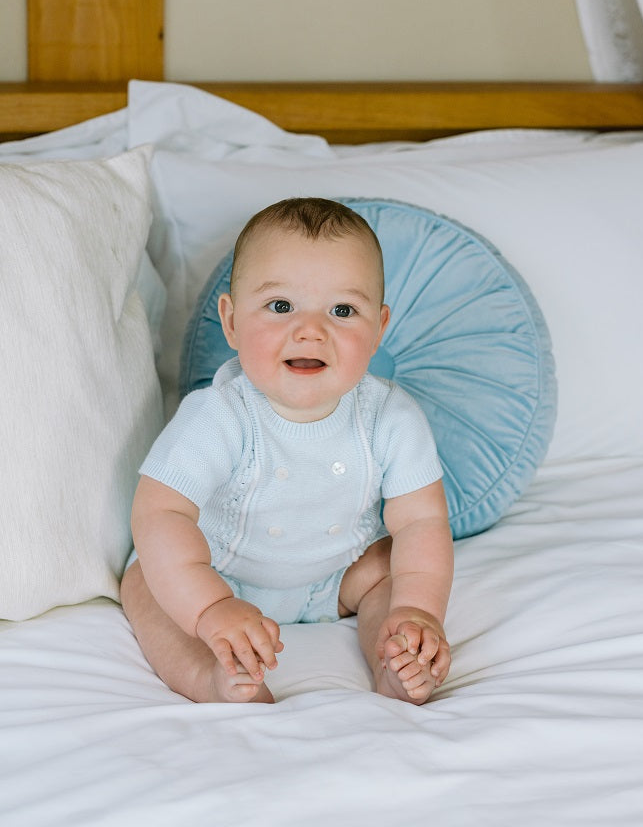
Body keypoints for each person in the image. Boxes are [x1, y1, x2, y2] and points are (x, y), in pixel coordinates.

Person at [122, 197, 453, 705]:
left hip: (336, 577)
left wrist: (418, 607)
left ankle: (396, 655)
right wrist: (210, 607)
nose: (311, 329)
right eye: (281, 307)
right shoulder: (218, 416)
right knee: (147, 580)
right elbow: (159, 512)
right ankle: (212, 678)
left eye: (343, 310)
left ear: (378, 330)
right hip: (215, 574)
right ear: (231, 323)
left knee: (392, 565)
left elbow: (421, 522)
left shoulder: (392, 418)